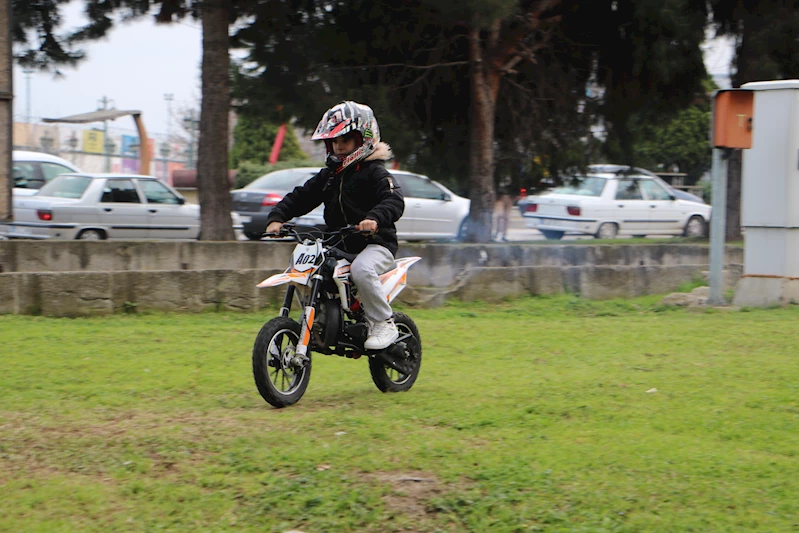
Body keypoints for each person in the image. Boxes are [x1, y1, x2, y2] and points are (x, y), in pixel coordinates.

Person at [264, 101, 405, 350]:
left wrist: (374, 219)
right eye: (334, 141)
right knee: (302, 265)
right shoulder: (330, 174)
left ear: (364, 138)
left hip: (375, 244)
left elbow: (393, 200)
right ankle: (316, 320)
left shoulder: (375, 172)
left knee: (362, 269)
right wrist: (278, 217)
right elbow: (302, 196)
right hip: (338, 242)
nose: (339, 146)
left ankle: (384, 323)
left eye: (346, 140)